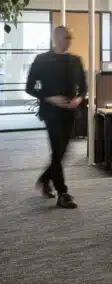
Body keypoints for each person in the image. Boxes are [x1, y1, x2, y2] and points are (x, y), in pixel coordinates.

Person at [25, 26, 87, 209]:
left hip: (70, 111)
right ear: (56, 38)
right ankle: (63, 192)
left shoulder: (75, 61)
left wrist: (78, 98)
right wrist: (50, 97)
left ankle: (45, 178)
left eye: (70, 38)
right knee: (57, 149)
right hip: (51, 111)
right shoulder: (42, 60)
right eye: (66, 37)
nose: (69, 41)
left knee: (62, 151)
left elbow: (83, 88)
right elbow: (29, 87)